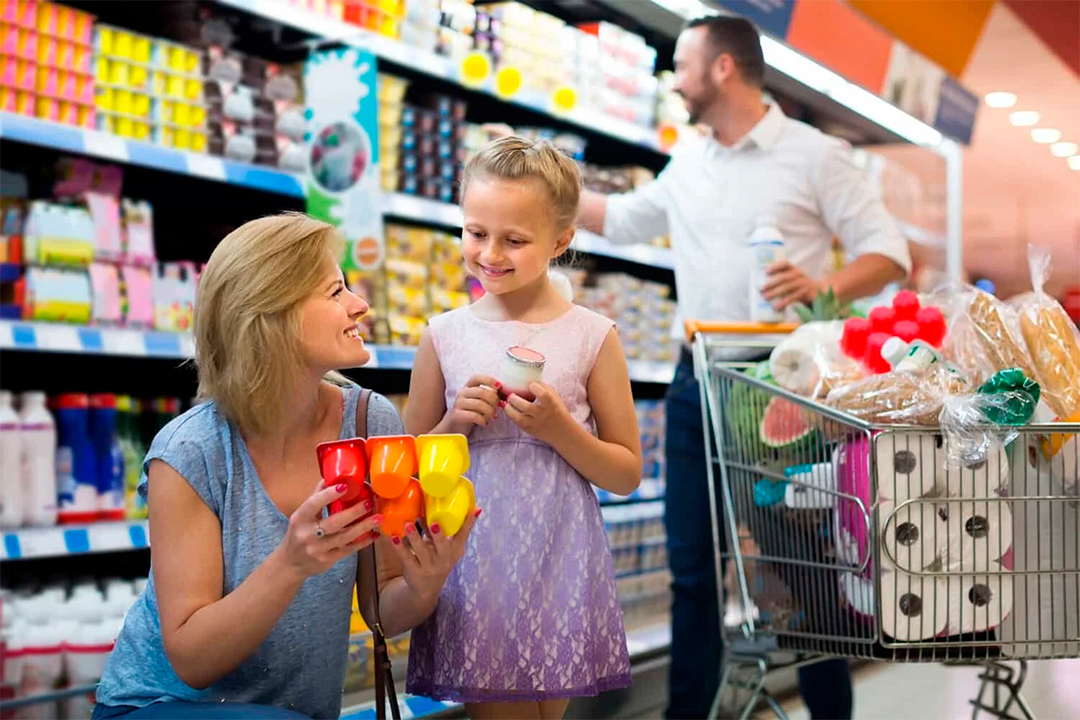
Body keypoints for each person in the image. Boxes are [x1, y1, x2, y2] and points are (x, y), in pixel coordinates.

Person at [575, 16, 913, 720]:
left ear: (723, 68)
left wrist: (824, 288)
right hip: (698, 380)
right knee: (694, 571)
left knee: (803, 569)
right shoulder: (691, 160)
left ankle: (830, 715)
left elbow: (889, 252)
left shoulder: (813, 155)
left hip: (785, 388)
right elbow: (622, 218)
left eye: (682, 65)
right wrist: (530, 180)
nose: (674, 79)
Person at [93, 214, 478, 720]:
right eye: (335, 291)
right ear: (270, 315)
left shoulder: (368, 419)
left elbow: (381, 603)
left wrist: (428, 580)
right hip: (161, 706)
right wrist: (291, 563)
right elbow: (190, 659)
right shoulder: (191, 450)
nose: (360, 305)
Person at [402, 137, 642, 720]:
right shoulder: (445, 335)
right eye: (476, 232)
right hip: (472, 552)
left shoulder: (592, 336)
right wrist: (455, 421)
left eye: (514, 240)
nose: (491, 253)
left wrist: (562, 430)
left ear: (561, 241)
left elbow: (627, 472)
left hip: (561, 552)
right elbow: (405, 462)